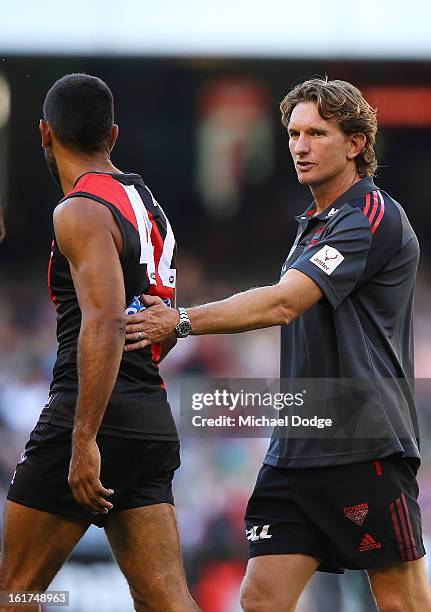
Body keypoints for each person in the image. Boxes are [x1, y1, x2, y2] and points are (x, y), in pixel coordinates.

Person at [124, 78, 431, 611]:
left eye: (317, 132)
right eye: (292, 133)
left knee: (400, 599)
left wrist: (181, 321)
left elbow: (283, 303)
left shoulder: (370, 215)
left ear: (356, 144)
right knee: (261, 597)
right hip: (298, 440)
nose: (299, 146)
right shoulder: (313, 225)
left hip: (362, 438)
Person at [0, 74, 199, 612]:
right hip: (148, 418)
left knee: (15, 589)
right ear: (113, 136)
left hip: (88, 416)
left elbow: (107, 320)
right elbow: (156, 322)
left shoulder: (79, 210)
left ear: (44, 134)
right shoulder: (146, 204)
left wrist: (84, 437)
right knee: (167, 600)